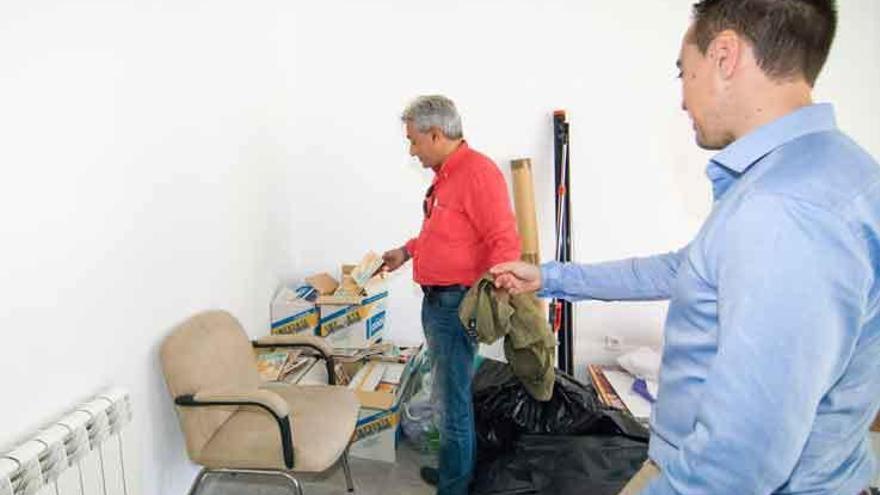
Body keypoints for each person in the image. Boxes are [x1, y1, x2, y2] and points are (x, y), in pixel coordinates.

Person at [491, 1, 880, 493]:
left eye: (684, 72)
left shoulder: (785, 208)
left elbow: (743, 455)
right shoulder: (829, 171)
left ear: (724, 55)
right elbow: (683, 270)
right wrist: (551, 278)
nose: (681, 99)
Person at [382, 95, 520, 495]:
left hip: (456, 306)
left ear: (436, 134)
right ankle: (452, 474)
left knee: (452, 403)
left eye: (413, 140)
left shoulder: (477, 173)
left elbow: (504, 240)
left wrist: (496, 295)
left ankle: (455, 487)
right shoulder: (446, 176)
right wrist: (407, 251)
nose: (411, 149)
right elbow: (440, 234)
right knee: (445, 396)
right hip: (438, 302)